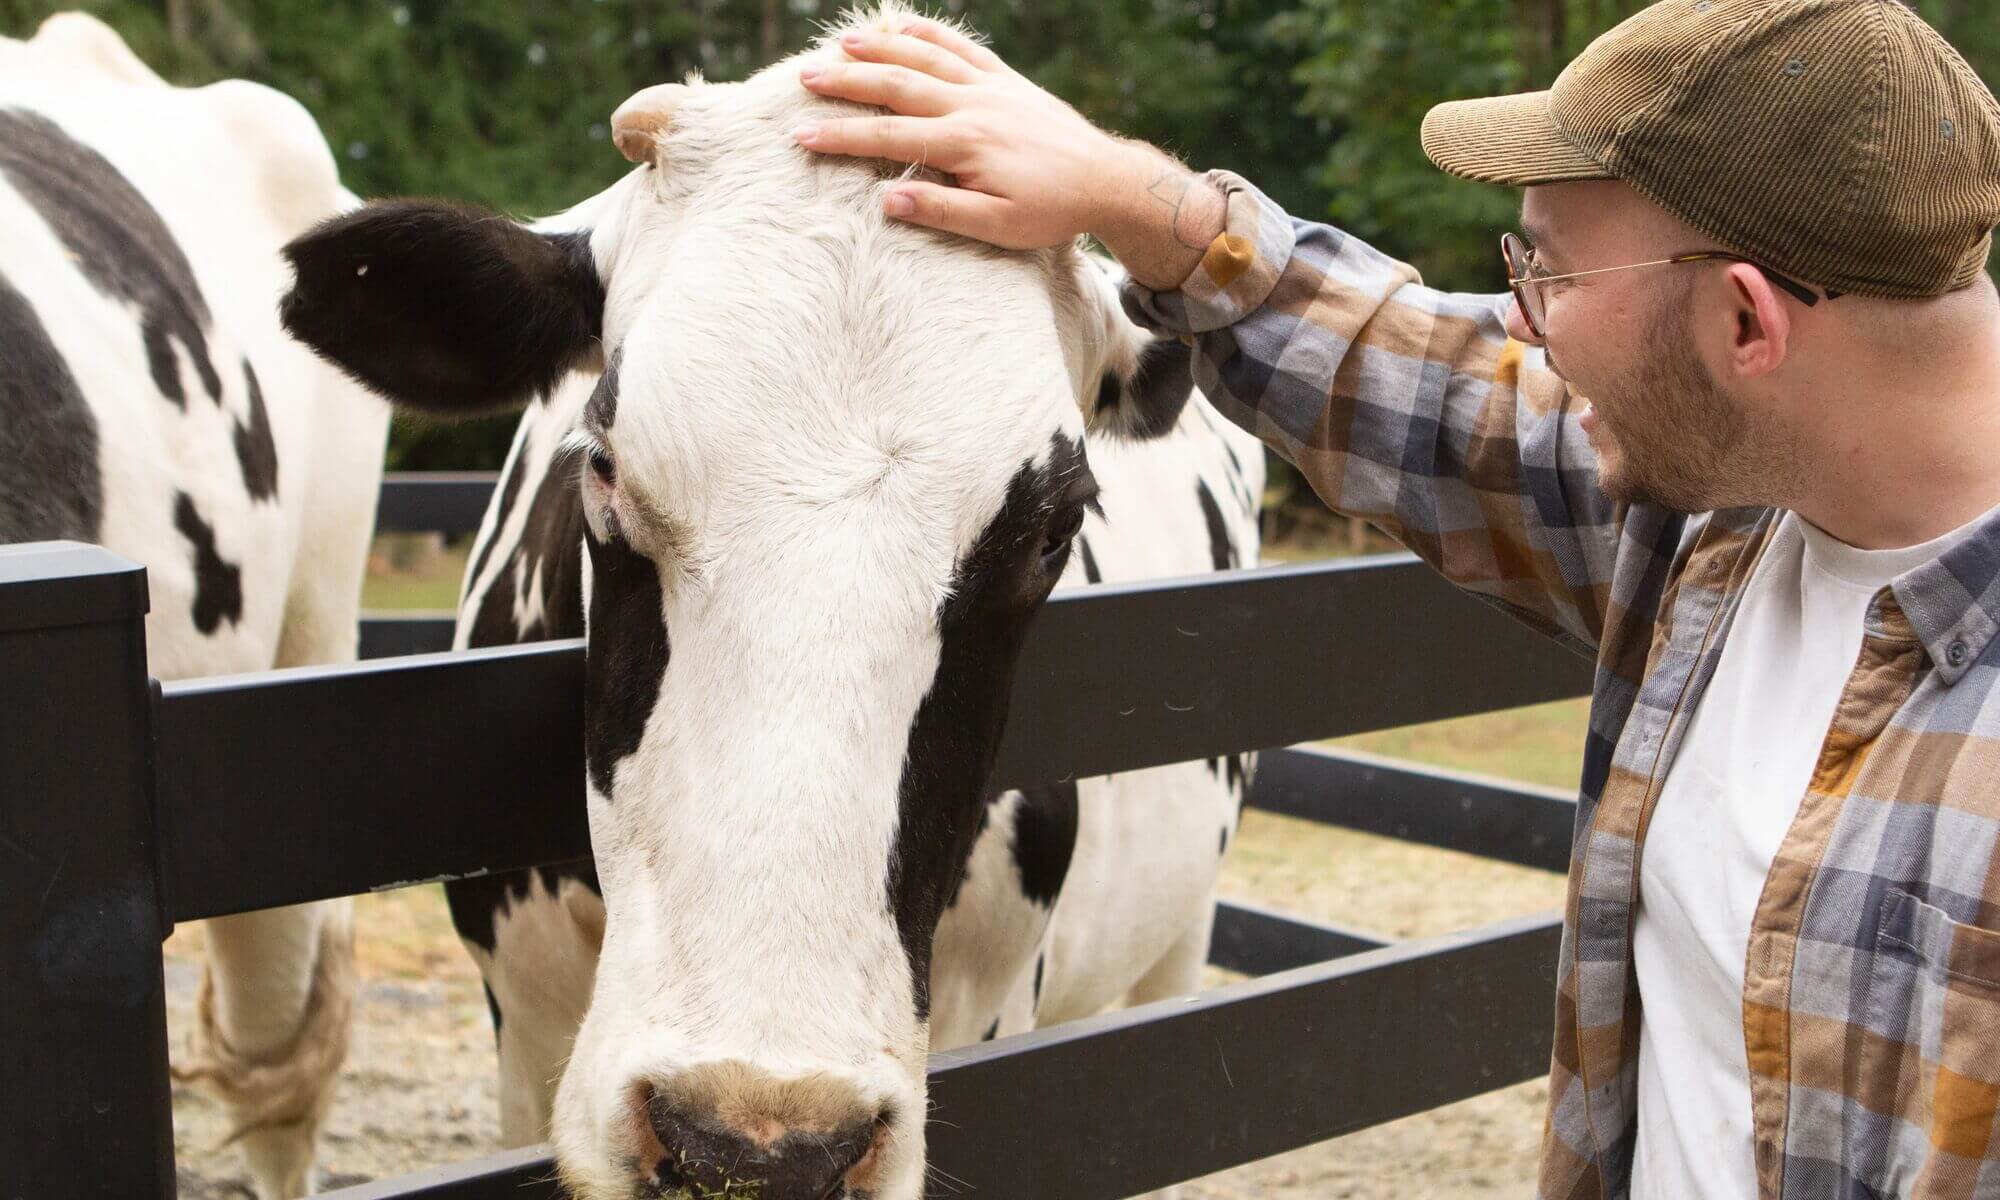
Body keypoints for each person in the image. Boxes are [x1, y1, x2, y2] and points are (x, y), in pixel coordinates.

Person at [790, 0, 2000, 1196]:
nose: (1518, 326)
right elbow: (1426, 382)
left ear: (1744, 319)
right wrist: (1132, 202)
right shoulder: (1719, 523)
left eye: (1548, 273)